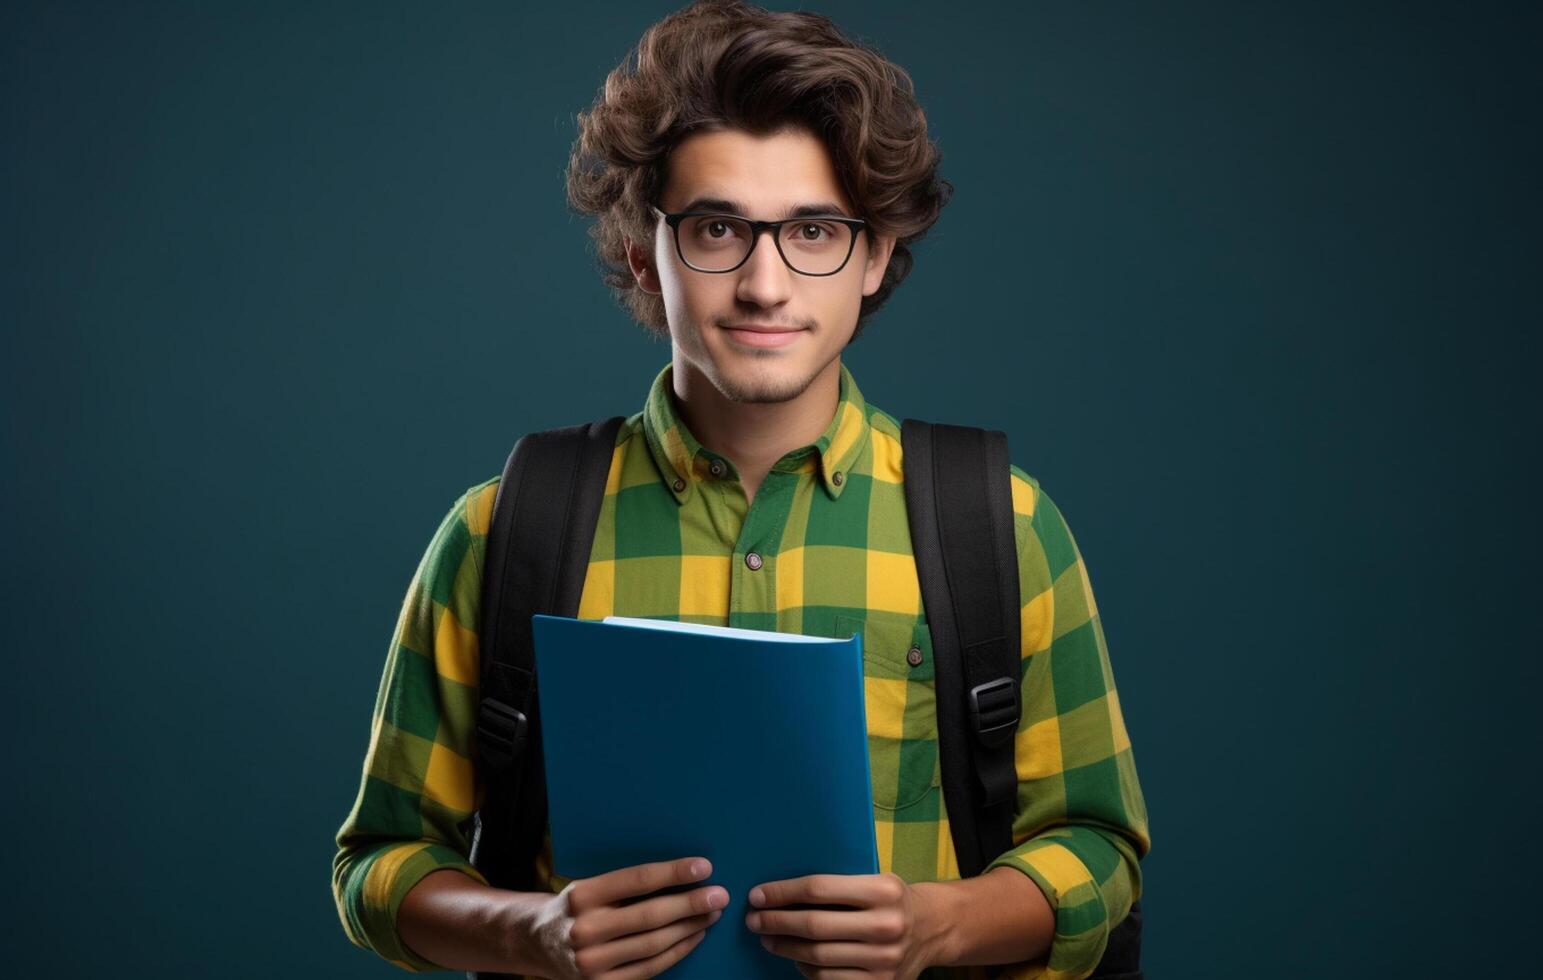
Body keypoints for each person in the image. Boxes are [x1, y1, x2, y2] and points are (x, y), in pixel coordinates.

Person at [331, 2, 1150, 977]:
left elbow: (1099, 845)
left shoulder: (1003, 527)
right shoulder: (503, 529)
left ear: (876, 252)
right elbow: (377, 861)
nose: (765, 284)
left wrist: (941, 922)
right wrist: (530, 930)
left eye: (813, 229)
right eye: (717, 227)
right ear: (646, 251)